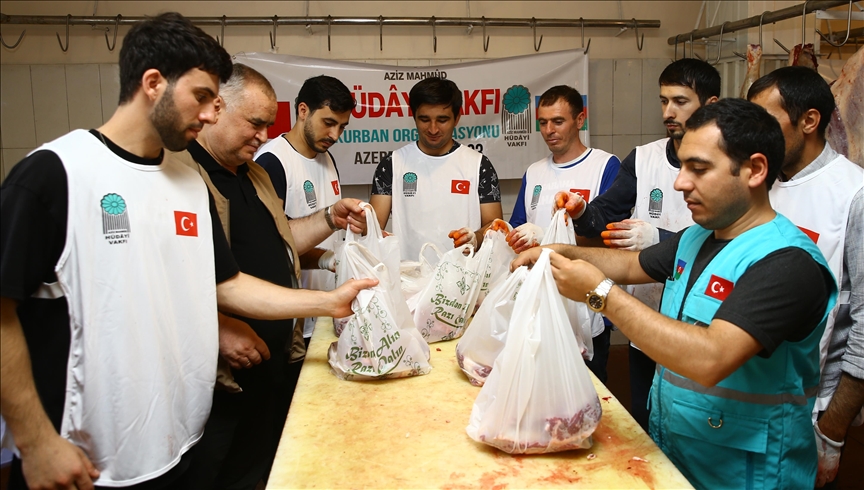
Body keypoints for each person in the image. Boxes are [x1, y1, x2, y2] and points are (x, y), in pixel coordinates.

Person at [0, 13, 374, 490]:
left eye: (217, 101)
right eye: (202, 97)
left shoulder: (185, 184)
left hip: (178, 444)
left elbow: (227, 284)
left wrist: (328, 301)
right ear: (153, 83)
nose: (210, 113)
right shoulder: (57, 174)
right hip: (87, 459)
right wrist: (34, 442)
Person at [515, 98, 836, 489]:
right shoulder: (700, 236)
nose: (681, 182)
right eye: (682, 166)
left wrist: (599, 294)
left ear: (754, 169)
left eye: (698, 169)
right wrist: (557, 251)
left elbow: (710, 357)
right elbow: (631, 265)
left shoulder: (786, 263)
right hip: (680, 456)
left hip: (747, 472)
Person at [172, 64, 368, 489]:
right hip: (222, 378)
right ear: (216, 109)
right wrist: (218, 326)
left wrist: (329, 218)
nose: (263, 137)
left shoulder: (252, 174)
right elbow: (180, 279)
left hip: (271, 361)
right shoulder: (183, 176)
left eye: (267, 125)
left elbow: (284, 238)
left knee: (259, 469)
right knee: (213, 472)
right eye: (255, 124)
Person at [554, 58, 720, 430]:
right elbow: (603, 217)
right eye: (663, 101)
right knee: (647, 421)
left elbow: (729, 238)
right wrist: (580, 212)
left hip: (702, 328)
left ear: (710, 104)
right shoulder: (644, 158)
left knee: (690, 423)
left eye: (680, 101)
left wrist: (658, 238)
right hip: (646, 316)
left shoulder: (727, 161)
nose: (669, 111)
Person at [747, 67, 864, 488]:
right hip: (752, 395)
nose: (757, 135)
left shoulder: (853, 194)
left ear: (809, 121)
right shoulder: (763, 184)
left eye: (767, 122)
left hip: (810, 407)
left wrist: (831, 430)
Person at [502, 85, 620, 382]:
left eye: (558, 121)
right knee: (539, 389)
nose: (549, 130)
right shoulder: (534, 172)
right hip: (537, 301)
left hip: (585, 302)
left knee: (588, 392)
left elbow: (607, 240)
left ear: (580, 120)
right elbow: (518, 230)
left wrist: (544, 238)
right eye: (542, 123)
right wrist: (507, 235)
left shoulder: (605, 166)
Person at [255, 75, 356, 346]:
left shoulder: (326, 157)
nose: (335, 135)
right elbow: (272, 245)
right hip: (293, 324)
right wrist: (327, 259)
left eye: (342, 127)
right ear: (303, 111)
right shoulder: (272, 162)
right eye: (329, 123)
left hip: (328, 313)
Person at [369, 76, 503, 261]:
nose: (433, 129)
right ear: (413, 116)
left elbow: (494, 225)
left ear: (457, 118)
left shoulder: (479, 165)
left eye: (442, 120)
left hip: (463, 278)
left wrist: (476, 238)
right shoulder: (392, 164)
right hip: (408, 278)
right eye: (424, 119)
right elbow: (373, 229)